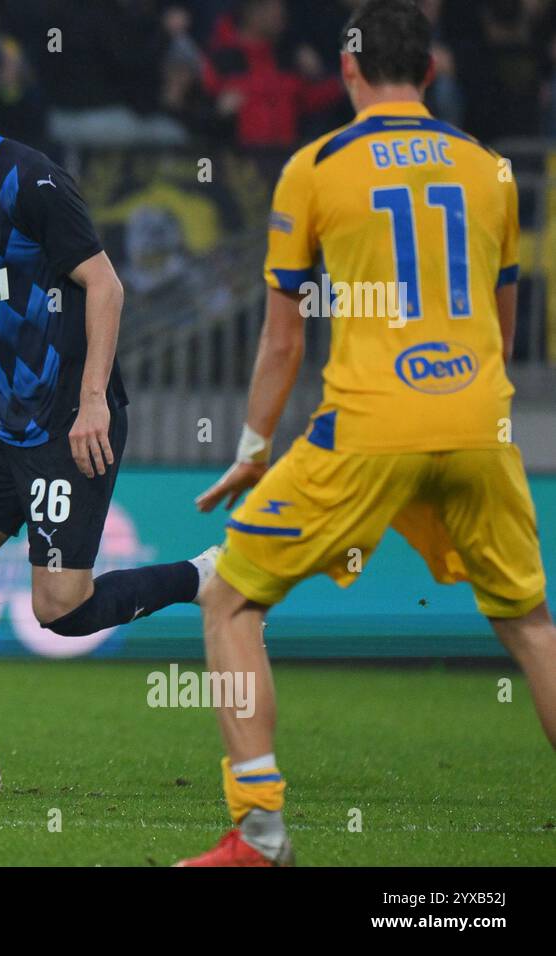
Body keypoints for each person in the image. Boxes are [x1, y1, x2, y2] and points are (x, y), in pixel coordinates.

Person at [180, 0, 556, 866]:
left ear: (347, 71)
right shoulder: (490, 170)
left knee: (230, 598)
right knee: (531, 623)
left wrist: (251, 448)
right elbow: (505, 326)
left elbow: (283, 338)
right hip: (477, 419)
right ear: (430, 72)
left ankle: (261, 830)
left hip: (370, 421)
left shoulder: (315, 167)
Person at [0, 34, 218, 792]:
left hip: (67, 421)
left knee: (61, 612)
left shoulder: (30, 180)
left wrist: (94, 399)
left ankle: (204, 578)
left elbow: (105, 286)